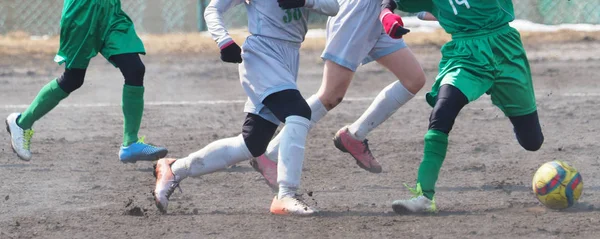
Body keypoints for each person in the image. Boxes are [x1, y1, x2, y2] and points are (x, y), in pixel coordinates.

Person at [152, 0, 339, 216]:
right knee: (298, 112)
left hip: (288, 56)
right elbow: (213, 9)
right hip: (262, 55)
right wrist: (223, 40)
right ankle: (286, 195)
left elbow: (333, 7)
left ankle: (175, 169)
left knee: (252, 144)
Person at [249, 0, 427, 190]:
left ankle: (354, 135)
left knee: (414, 80)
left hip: (378, 13)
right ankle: (270, 154)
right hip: (357, 12)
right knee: (330, 95)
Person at [386, 0, 544, 213]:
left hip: (505, 49)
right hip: (465, 54)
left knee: (532, 141)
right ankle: (424, 196)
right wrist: (385, 13)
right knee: (442, 111)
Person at [5, 0, 168, 163]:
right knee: (73, 79)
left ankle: (130, 143)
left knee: (135, 69)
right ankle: (22, 123)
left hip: (110, 12)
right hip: (82, 12)